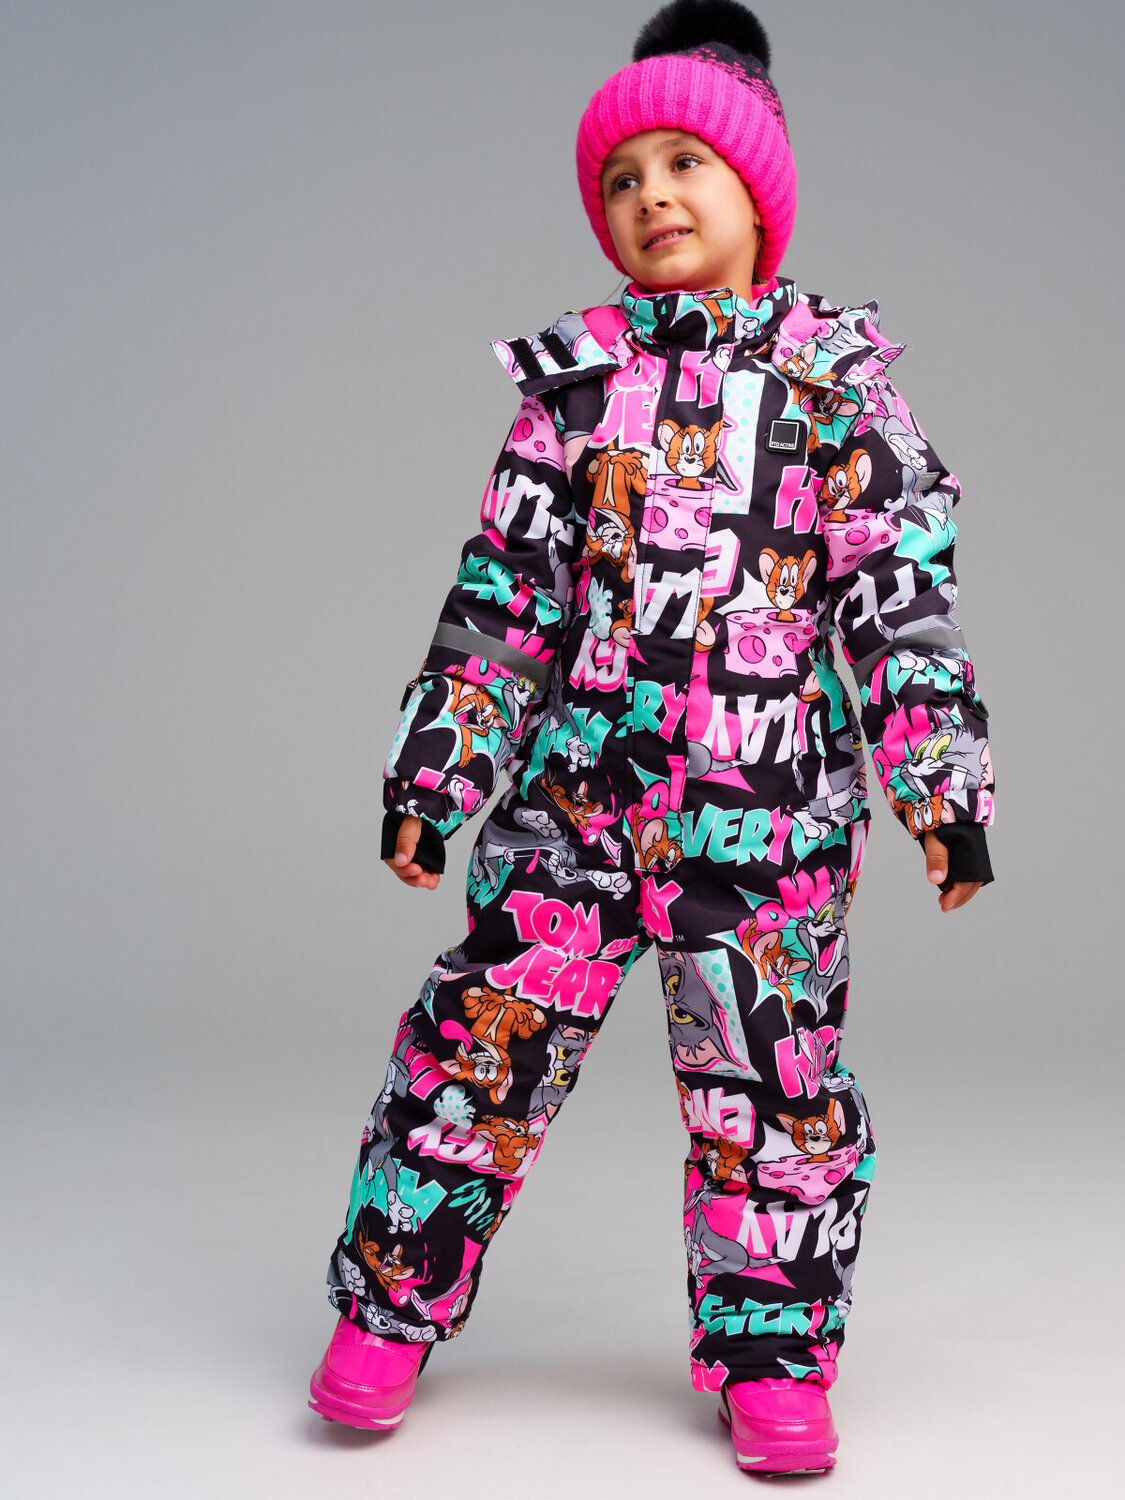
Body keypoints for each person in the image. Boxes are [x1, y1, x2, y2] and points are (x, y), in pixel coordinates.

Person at [307, 0, 995, 1476]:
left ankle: (773, 1357)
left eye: (686, 163)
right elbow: (505, 595)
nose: (650, 196)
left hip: (770, 830)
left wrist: (942, 790)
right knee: (472, 1057)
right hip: (573, 810)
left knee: (775, 1091)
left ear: (760, 189)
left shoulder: (838, 388)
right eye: (622, 178)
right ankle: (386, 1307)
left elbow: (898, 606)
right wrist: (439, 771)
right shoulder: (575, 394)